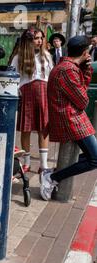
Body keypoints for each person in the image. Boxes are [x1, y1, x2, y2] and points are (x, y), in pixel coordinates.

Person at [41, 36, 96, 201]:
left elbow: (81, 91)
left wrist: (86, 70)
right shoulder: (67, 70)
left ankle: (53, 173)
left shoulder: (67, 67)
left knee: (91, 156)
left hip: (73, 117)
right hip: (71, 118)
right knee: (94, 158)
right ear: (86, 52)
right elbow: (83, 100)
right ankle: (52, 177)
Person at [11, 27, 53, 176]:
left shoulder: (46, 55)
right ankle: (27, 163)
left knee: (43, 129)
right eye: (36, 38)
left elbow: (50, 77)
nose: (40, 41)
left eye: (41, 38)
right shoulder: (19, 57)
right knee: (26, 129)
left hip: (43, 94)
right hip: (26, 94)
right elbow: (13, 78)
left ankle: (44, 164)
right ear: (28, 40)